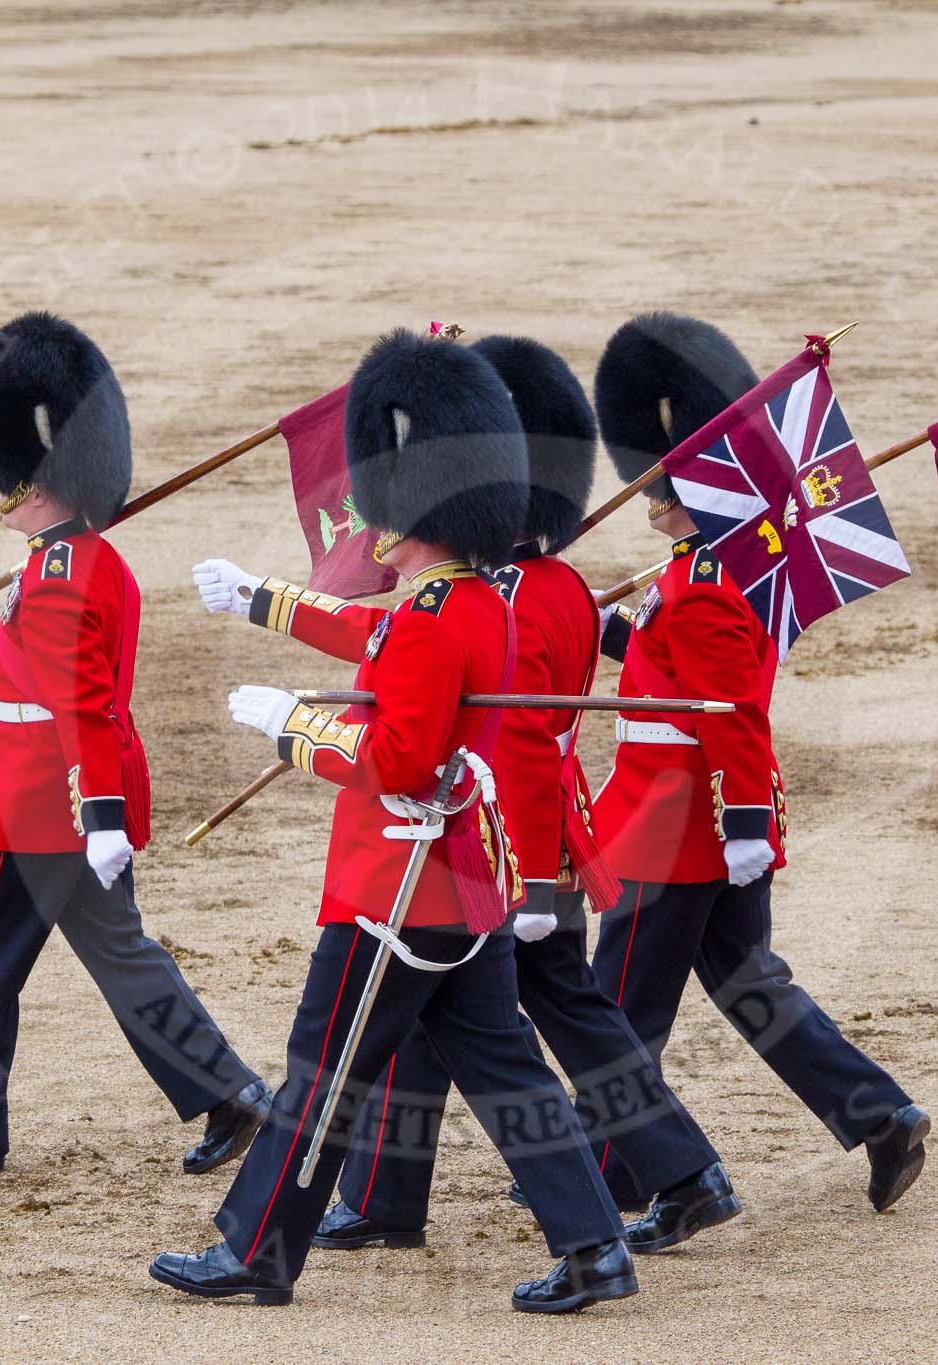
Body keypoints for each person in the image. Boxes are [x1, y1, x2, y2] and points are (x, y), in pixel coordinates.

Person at [153, 328, 636, 1313]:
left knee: (319, 1076)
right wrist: (262, 601)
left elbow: (396, 762)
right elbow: (378, 635)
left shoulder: (426, 619)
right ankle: (594, 1246)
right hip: (471, 884)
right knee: (510, 1078)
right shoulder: (474, 604)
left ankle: (256, 1251)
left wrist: (296, 731)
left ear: (410, 513)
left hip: (397, 893)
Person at [304, 334, 737, 1256]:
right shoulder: (557, 586)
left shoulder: (508, 594)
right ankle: (392, 1190)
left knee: (501, 1015)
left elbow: (516, 749)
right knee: (496, 1022)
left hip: (506, 853)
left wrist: (528, 885)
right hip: (519, 844)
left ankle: (668, 1174)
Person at [0, 311, 268, 1177]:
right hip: (52, 792)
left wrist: (99, 817)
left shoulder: (54, 573)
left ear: (41, 486)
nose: (4, 500)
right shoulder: (87, 561)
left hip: (42, 799)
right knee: (104, 957)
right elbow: (41, 671)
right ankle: (229, 1093)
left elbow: (78, 700)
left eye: (14, 486)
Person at [586, 311, 930, 1214]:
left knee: (618, 1009)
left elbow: (729, 711)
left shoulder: (707, 581)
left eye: (661, 482)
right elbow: (673, 669)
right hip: (704, 819)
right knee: (747, 985)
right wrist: (607, 628)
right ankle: (881, 1114)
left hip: (677, 825)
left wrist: (739, 824)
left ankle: (623, 1169)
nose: (650, 496)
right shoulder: (706, 568)